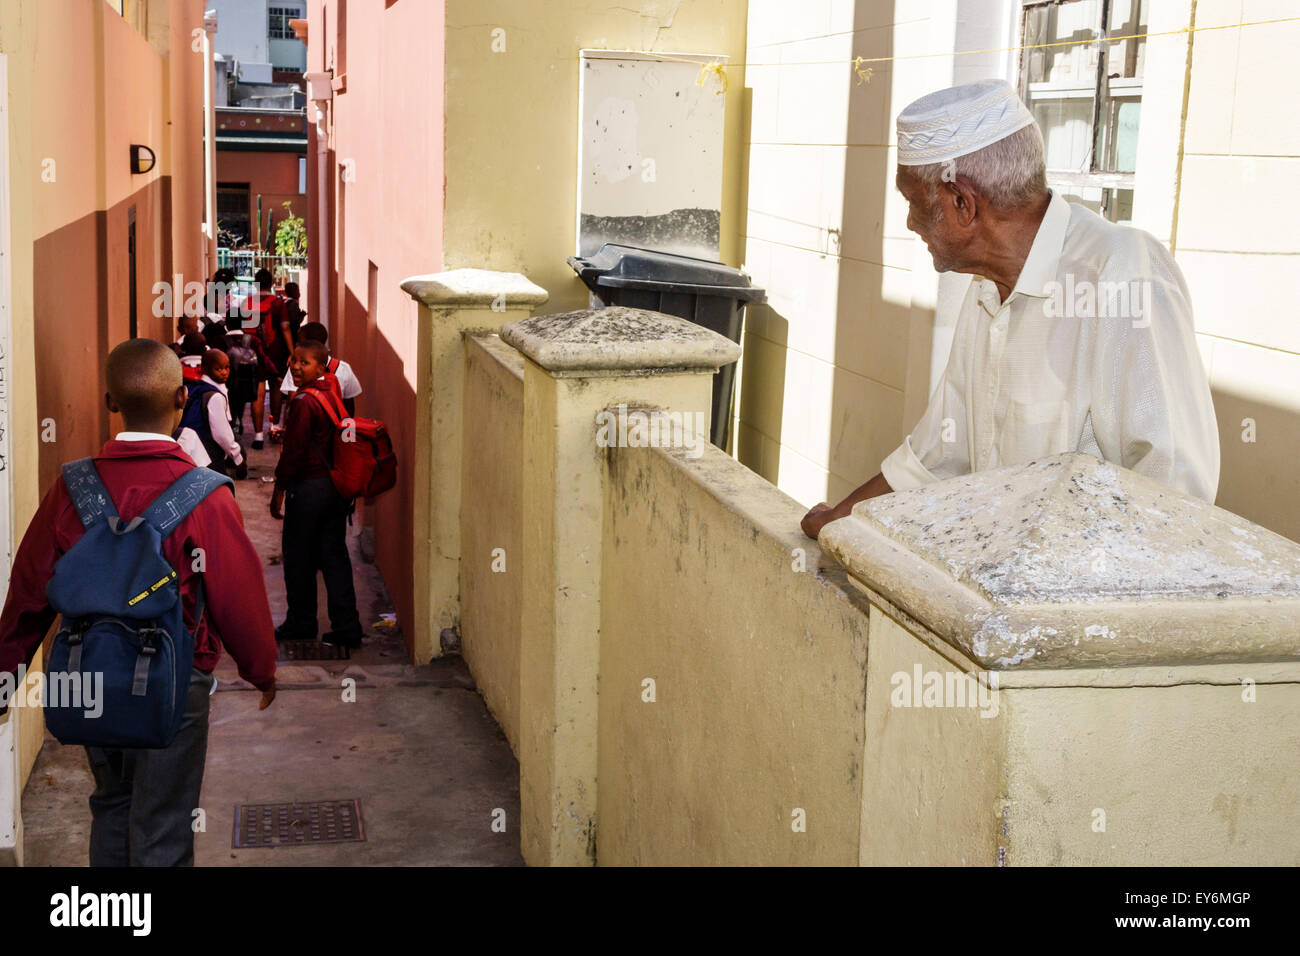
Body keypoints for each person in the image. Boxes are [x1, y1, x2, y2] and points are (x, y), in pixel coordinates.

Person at [801, 79, 1220, 539]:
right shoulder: (986, 289)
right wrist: (839, 522)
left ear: (962, 203)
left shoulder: (1121, 273)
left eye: (914, 202)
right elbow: (940, 456)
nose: (910, 222)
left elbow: (1175, 492)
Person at [0, 338, 277, 866]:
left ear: (110, 402)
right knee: (164, 823)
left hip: (88, 675)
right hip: (175, 686)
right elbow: (237, 595)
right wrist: (260, 669)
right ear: (181, 397)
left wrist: (5, 673)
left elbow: (30, 588)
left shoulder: (72, 487)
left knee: (112, 806)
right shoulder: (205, 494)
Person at [271, 340, 364, 649]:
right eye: (293, 361)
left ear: (321, 366)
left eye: (304, 362)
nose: (295, 367)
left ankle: (301, 622)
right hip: (333, 489)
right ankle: (347, 627)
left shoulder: (304, 403)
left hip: (308, 489)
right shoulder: (331, 391)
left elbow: (293, 454)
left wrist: (278, 492)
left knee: (298, 558)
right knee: (334, 557)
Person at [178, 349, 247, 479]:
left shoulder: (194, 387)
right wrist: (238, 458)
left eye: (227, 368)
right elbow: (222, 435)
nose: (224, 372)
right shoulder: (214, 396)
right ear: (204, 369)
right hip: (209, 456)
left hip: (190, 451)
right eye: (218, 369)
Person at [245, 269, 292, 446]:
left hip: (254, 350)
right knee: (276, 387)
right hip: (275, 350)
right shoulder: (278, 304)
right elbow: (285, 328)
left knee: (257, 391)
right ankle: (274, 425)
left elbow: (245, 328)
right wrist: (292, 352)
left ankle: (257, 436)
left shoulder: (247, 302)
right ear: (272, 283)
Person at [278, 321, 364, 418]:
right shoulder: (343, 368)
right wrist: (347, 432)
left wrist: (286, 428)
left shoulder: (296, 369)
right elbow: (349, 406)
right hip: (335, 428)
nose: (296, 344)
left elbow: (292, 401)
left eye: (299, 342)